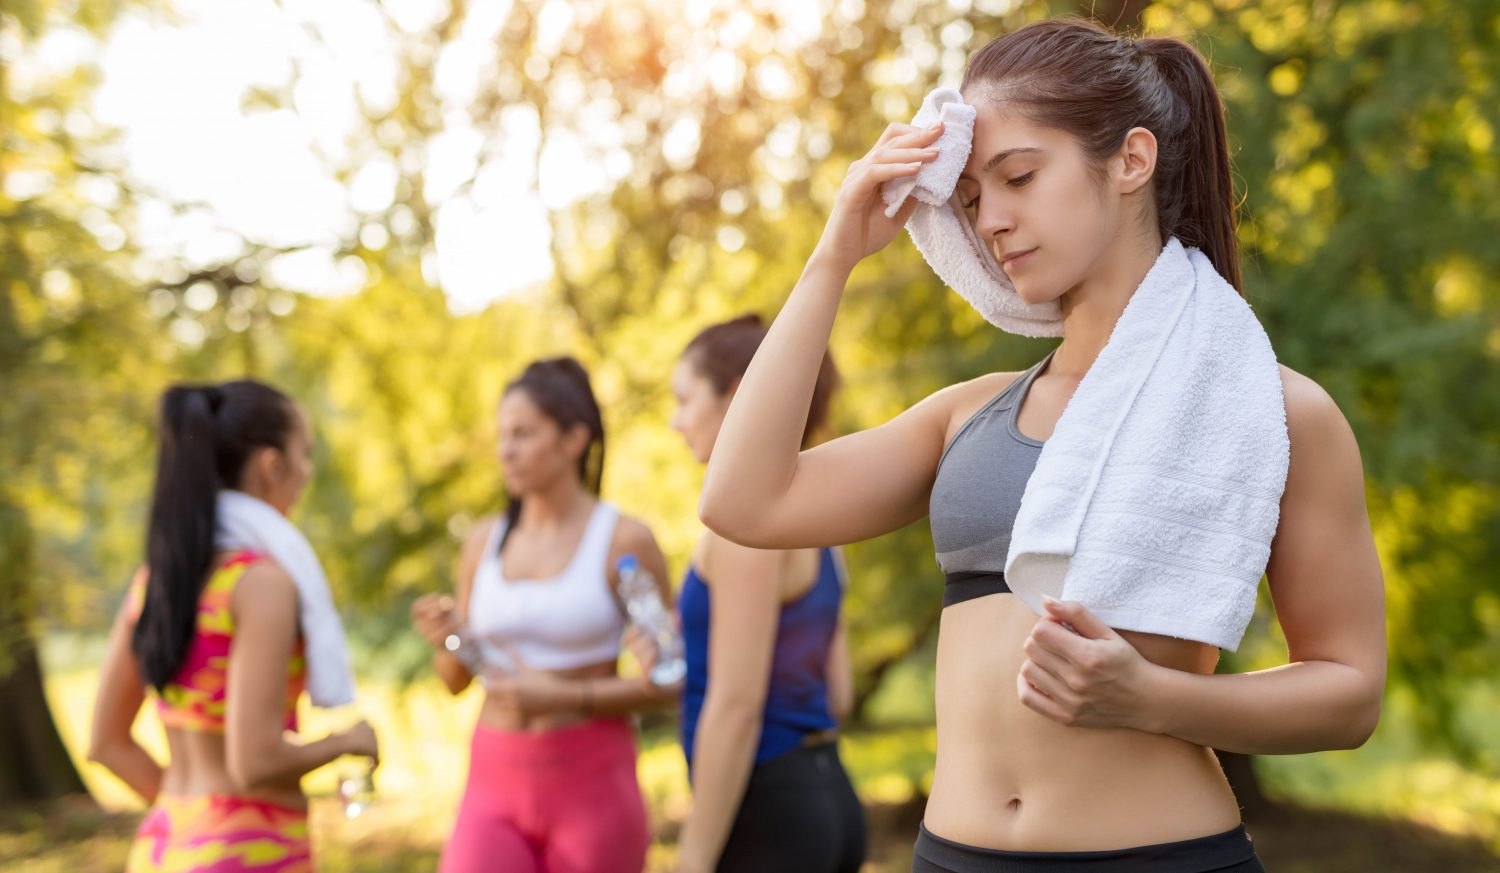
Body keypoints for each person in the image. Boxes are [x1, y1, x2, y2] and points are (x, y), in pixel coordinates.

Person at [699, 19, 1386, 873]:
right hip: (952, 856)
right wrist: (836, 253)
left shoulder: (1271, 409)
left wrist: (1154, 696)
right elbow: (742, 500)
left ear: (1131, 161)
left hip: (1161, 856)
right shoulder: (971, 413)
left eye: (1019, 176)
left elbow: (1349, 693)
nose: (992, 218)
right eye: (973, 197)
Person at [90, 380, 378, 873]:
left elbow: (106, 743)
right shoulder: (259, 584)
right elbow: (255, 763)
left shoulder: (157, 581)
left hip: (164, 844)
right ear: (272, 466)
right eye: (304, 454)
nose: (307, 473)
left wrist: (195, 823)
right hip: (247, 851)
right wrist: (349, 741)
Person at [411, 356, 676, 873]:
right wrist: (448, 637)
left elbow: (671, 679)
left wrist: (564, 695)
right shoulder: (483, 542)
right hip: (493, 773)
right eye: (502, 435)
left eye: (523, 434)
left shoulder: (624, 541)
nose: (503, 451)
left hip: (591, 777)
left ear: (573, 439)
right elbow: (455, 681)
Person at [662, 315, 866, 873]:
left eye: (684, 399)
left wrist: (694, 858)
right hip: (830, 798)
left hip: (768, 815)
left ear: (734, 397)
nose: (676, 421)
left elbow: (737, 705)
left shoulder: (742, 530)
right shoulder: (818, 520)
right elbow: (837, 693)